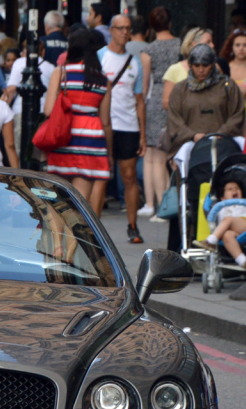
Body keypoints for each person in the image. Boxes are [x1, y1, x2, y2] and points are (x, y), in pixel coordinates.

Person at [45, 30, 112, 214]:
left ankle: (59, 242)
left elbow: (48, 110)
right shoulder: (103, 79)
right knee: (81, 205)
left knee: (58, 202)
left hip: (64, 138)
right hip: (91, 141)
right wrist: (109, 153)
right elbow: (105, 120)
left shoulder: (61, 72)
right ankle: (78, 241)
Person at [100, 15, 146, 243]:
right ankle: (95, 229)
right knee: (100, 178)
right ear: (111, 30)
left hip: (128, 126)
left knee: (129, 177)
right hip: (103, 125)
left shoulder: (135, 61)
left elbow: (140, 101)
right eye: (120, 28)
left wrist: (143, 134)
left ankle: (133, 225)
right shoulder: (100, 56)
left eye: (128, 29)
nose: (125, 33)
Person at [164, 43, 245, 151]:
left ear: (212, 64)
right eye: (197, 66)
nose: (201, 70)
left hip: (224, 144)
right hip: (189, 144)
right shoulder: (180, 89)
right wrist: (192, 135)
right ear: (190, 65)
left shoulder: (227, 86)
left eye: (205, 65)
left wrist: (222, 133)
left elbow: (237, 114)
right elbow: (174, 119)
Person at [140, 6, 179, 220]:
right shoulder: (180, 45)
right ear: (170, 23)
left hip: (156, 100)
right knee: (168, 157)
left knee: (155, 156)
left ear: (152, 27)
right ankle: (168, 205)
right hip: (176, 99)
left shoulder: (149, 50)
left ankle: (160, 206)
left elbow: (146, 85)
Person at [4, 38, 54, 153]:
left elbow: (11, 89)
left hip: (20, 111)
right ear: (43, 51)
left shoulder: (19, 63)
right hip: (42, 113)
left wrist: (5, 107)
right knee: (36, 153)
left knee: (19, 148)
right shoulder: (50, 67)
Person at [201, 175, 246, 269]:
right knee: (227, 235)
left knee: (228, 219)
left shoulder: (245, 202)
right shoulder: (220, 207)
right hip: (234, 231)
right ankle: (244, 261)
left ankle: (211, 241)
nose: (234, 190)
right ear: (222, 197)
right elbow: (215, 220)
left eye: (237, 188)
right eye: (230, 189)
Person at [162, 27, 214, 114]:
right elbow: (166, 103)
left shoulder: (215, 68)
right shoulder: (174, 70)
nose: (212, 45)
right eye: (208, 42)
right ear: (194, 44)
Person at [221, 28, 246, 116]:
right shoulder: (224, 68)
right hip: (228, 118)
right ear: (232, 47)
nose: (241, 49)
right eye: (237, 45)